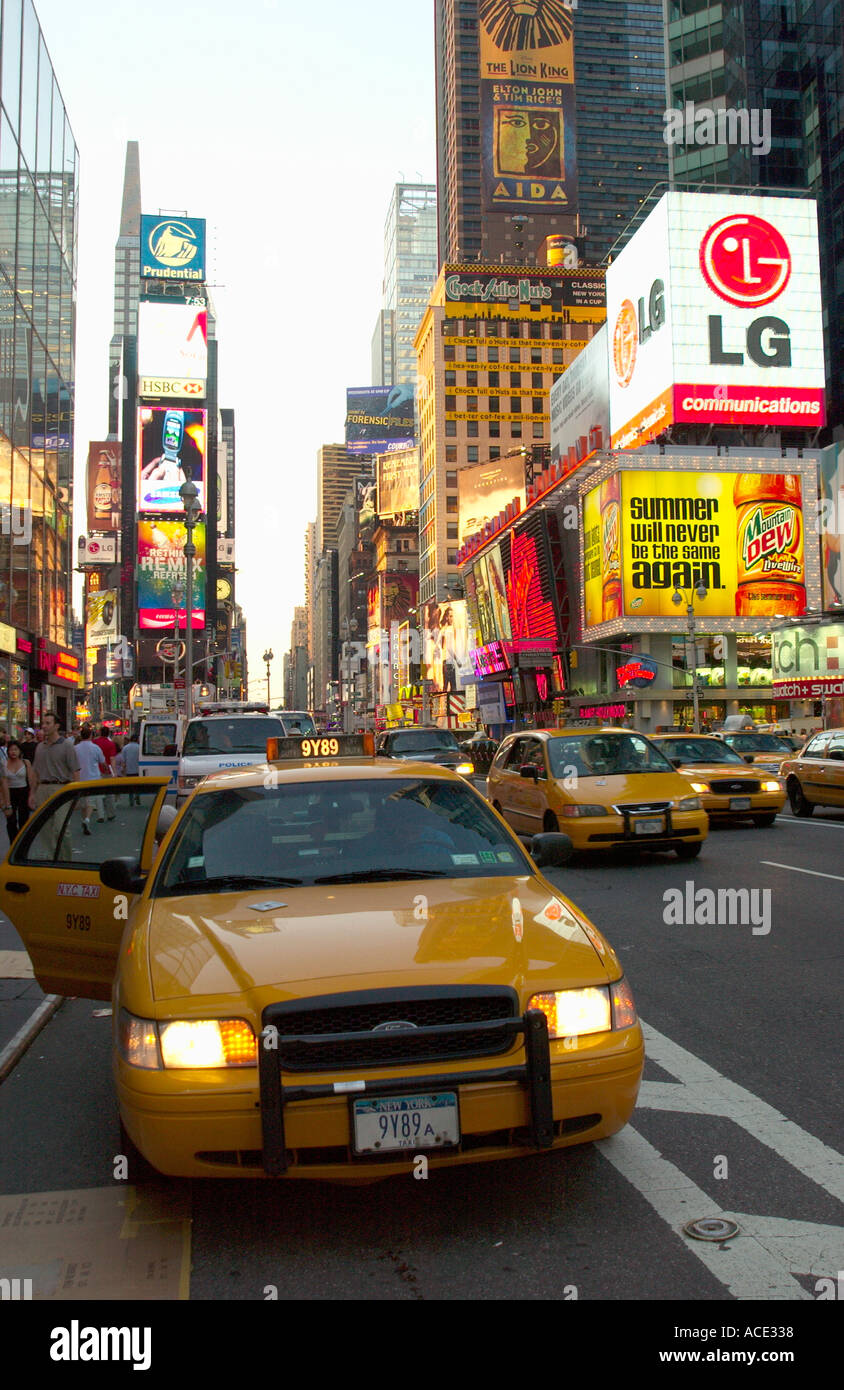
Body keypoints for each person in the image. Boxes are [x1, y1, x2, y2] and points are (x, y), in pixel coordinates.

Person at [29, 711, 80, 812]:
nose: (44, 726)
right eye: (43, 723)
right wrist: (32, 793)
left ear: (56, 726)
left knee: (59, 825)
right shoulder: (39, 747)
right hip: (42, 789)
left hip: (60, 788)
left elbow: (75, 771)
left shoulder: (67, 746)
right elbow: (35, 773)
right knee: (43, 826)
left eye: (48, 723)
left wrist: (76, 794)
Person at [74, 726, 106, 833]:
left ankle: (84, 820)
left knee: (83, 802)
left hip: (80, 778)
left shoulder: (76, 748)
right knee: (91, 802)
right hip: (93, 778)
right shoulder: (95, 748)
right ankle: (87, 819)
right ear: (91, 735)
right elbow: (102, 761)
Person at [2, 739, 33, 837]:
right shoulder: (3, 763)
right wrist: (4, 802)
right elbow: (2, 783)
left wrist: (32, 795)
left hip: (23, 792)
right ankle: (13, 844)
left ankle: (22, 844)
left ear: (20, 751)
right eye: (11, 750)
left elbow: (31, 780)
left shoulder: (26, 762)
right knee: (11, 821)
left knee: (24, 821)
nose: (13, 752)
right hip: (9, 793)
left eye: (15, 749)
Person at [92, 724, 118, 821]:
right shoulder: (111, 744)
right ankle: (111, 813)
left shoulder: (95, 742)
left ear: (100, 732)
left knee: (98, 793)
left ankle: (101, 814)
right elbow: (112, 759)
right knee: (109, 793)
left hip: (96, 770)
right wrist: (114, 772)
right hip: (107, 770)